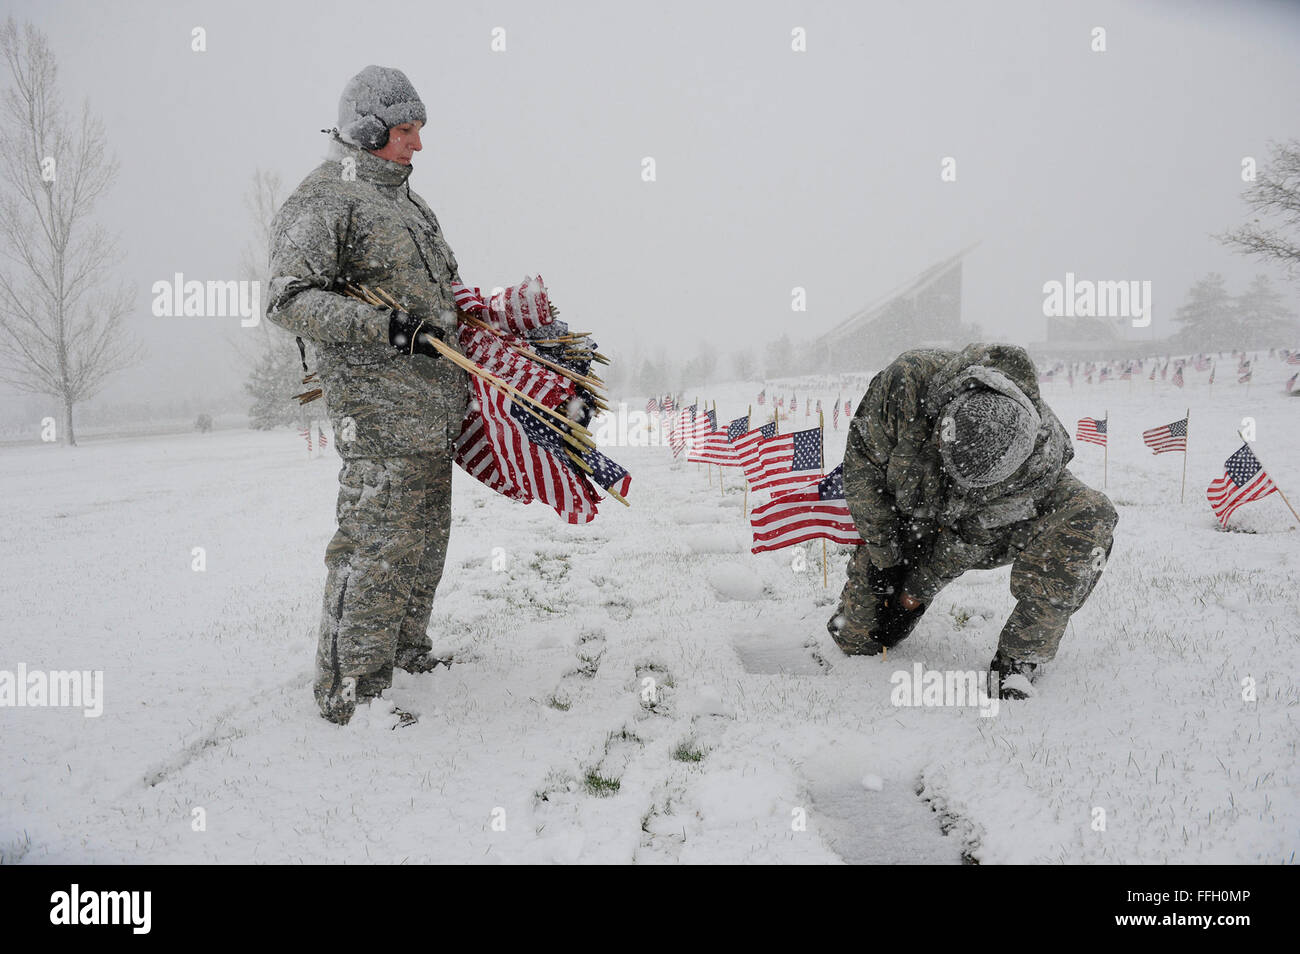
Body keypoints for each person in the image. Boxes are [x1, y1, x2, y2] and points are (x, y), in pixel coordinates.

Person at [266, 65, 469, 725]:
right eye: (406, 130)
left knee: (422, 540)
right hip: (378, 414)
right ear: (369, 128)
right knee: (376, 543)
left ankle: (406, 651)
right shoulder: (328, 198)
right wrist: (384, 327)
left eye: (418, 129)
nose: (417, 144)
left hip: (429, 412)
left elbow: (442, 294)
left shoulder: (408, 204)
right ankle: (352, 689)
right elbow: (288, 299)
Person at [827, 343, 1118, 699]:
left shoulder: (1037, 459)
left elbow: (968, 539)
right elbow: (863, 471)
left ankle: (1021, 657)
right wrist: (885, 559)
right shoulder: (908, 382)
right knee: (857, 639)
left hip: (974, 529)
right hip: (905, 514)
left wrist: (913, 595)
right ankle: (872, 605)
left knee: (1090, 512)